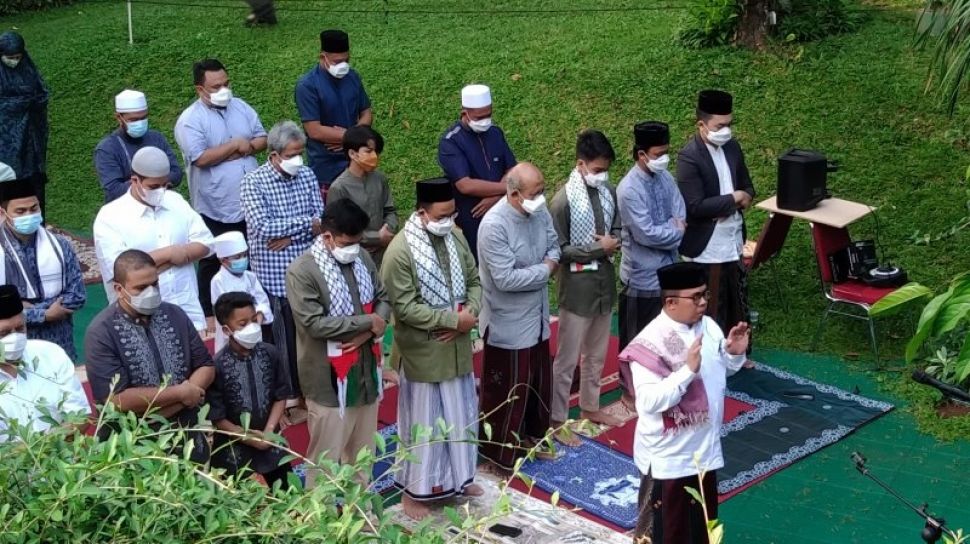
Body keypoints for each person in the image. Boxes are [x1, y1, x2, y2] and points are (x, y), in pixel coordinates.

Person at [620, 262, 749, 543]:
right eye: (696, 297)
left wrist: (734, 355)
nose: (703, 302)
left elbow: (718, 372)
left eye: (705, 295)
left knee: (702, 531)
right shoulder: (649, 344)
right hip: (669, 461)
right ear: (671, 302)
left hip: (702, 452)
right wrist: (687, 371)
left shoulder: (709, 327)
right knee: (663, 535)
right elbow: (649, 402)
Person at [381, 178, 483, 520]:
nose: (449, 221)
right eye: (442, 215)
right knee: (423, 423)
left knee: (461, 412)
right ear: (422, 213)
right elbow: (406, 308)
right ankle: (415, 493)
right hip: (424, 350)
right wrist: (455, 322)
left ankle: (460, 478)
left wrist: (469, 313)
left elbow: (474, 280)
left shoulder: (454, 235)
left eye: (452, 214)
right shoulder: (400, 251)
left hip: (457, 345)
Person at [285, 199, 391, 488]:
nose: (353, 248)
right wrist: (367, 324)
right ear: (327, 236)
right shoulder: (302, 271)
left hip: (366, 373)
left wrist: (369, 331)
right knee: (326, 463)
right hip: (328, 380)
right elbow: (313, 323)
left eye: (358, 241)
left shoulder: (362, 258)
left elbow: (383, 297)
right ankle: (321, 525)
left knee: (362, 458)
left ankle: (360, 516)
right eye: (347, 242)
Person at [85, 250, 215, 462]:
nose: (151, 291)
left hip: (186, 436)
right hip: (135, 447)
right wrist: (181, 395)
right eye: (141, 288)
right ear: (119, 289)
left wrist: (184, 397)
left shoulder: (175, 314)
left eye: (154, 284)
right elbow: (115, 400)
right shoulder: (101, 332)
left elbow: (206, 366)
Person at [477, 162, 560, 469]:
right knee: (507, 392)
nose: (541, 198)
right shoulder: (494, 225)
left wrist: (541, 267)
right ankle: (500, 454)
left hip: (537, 315)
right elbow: (506, 280)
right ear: (513, 194)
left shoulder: (539, 211)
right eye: (534, 193)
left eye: (542, 191)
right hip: (507, 322)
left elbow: (555, 247)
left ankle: (534, 439)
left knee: (538, 384)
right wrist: (546, 269)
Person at [174, 58, 267, 331]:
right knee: (213, 261)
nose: (224, 90)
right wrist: (235, 146)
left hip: (250, 202)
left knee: (251, 256)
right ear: (200, 90)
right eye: (216, 86)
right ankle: (212, 316)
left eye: (226, 84)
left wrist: (245, 147)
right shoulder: (190, 121)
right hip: (215, 205)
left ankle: (253, 309)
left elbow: (262, 138)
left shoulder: (241, 107)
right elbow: (200, 157)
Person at [241, 120, 324, 404]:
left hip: (309, 267)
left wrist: (290, 236)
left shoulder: (308, 175)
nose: (296, 160)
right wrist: (305, 227)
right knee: (284, 339)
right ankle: (289, 396)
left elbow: (321, 220)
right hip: (275, 276)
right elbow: (263, 227)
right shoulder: (254, 182)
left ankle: (313, 389)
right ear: (273, 156)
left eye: (300, 152)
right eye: (290, 155)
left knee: (312, 333)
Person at [548, 130, 623, 445]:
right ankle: (557, 419)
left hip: (603, 285)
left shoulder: (610, 191)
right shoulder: (562, 200)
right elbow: (558, 250)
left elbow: (617, 226)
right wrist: (600, 249)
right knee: (566, 360)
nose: (601, 176)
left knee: (596, 353)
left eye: (605, 169)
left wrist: (612, 241)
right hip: (577, 290)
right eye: (596, 170)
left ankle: (590, 406)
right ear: (580, 164)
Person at [93, 146, 214, 332]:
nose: (161, 191)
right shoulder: (110, 217)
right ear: (134, 180)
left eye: (165, 185)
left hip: (188, 313)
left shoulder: (176, 202)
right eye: (154, 187)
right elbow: (121, 270)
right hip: (140, 319)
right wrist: (172, 254)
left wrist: (166, 258)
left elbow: (206, 243)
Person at [617, 121, 687, 409]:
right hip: (642, 276)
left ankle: (667, 383)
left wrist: (672, 229)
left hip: (669, 270)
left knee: (669, 331)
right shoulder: (628, 189)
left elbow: (680, 211)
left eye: (666, 152)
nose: (663, 159)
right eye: (659, 153)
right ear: (641, 154)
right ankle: (630, 391)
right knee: (637, 337)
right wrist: (676, 231)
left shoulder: (666, 179)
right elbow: (645, 233)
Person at [677, 90, 755, 341]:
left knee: (737, 299)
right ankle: (710, 357)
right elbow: (696, 206)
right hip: (707, 244)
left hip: (732, 236)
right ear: (702, 124)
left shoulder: (732, 147)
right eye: (719, 126)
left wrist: (741, 199)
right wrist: (733, 199)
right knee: (710, 305)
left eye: (729, 125)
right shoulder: (689, 156)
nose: (725, 130)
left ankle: (739, 352)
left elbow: (748, 188)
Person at [208, 292, 294, 490]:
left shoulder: (270, 353)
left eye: (254, 320)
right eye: (243, 323)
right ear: (227, 330)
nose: (252, 327)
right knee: (240, 507)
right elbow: (217, 417)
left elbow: (280, 396)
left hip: (271, 440)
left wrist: (269, 432)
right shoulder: (217, 366)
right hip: (233, 447)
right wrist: (248, 437)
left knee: (289, 496)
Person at [0, 178, 86, 360]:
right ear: (3, 213)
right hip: (12, 346)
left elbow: (77, 295)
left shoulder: (60, 245)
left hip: (59, 342)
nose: (29, 215)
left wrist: (24, 308)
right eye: (20, 211)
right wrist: (45, 314)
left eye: (34, 208)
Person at [0, 284, 90, 442]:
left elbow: (80, 417)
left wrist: (38, 447)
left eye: (20, 329)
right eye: (4, 333)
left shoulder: (50, 354)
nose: (14, 338)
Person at [437, 84, 517, 261]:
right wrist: (507, 188)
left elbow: (511, 168)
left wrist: (497, 197)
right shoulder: (451, 142)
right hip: (472, 215)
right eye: (480, 117)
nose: (485, 121)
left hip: (503, 208)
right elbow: (465, 185)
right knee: (478, 263)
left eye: (489, 115)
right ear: (465, 114)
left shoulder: (495, 133)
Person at [296, 29, 373, 190]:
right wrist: (351, 137)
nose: (343, 66)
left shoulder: (352, 77)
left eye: (346, 60)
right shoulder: (307, 86)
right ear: (322, 57)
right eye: (337, 62)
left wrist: (349, 139)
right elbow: (314, 130)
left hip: (356, 160)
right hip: (326, 168)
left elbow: (366, 113)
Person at [93, 89, 183, 204]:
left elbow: (176, 173)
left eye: (144, 117)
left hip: (161, 206)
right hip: (126, 212)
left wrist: (148, 185)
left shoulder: (156, 138)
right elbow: (114, 190)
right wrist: (157, 183)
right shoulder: (107, 149)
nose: (140, 122)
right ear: (119, 118)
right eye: (134, 120)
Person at [328, 125, 397, 269]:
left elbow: (390, 210)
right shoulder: (339, 188)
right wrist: (376, 237)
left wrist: (388, 231)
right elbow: (338, 229)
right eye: (369, 151)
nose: (374, 156)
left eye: (376, 152)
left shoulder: (380, 179)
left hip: (384, 253)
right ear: (352, 154)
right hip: (355, 257)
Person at [0, 32, 49, 215]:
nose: (15, 61)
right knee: (9, 181)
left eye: (18, 57)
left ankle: (35, 222)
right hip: (6, 145)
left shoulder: (28, 70)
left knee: (33, 182)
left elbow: (42, 94)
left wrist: (31, 103)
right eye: (10, 58)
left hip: (32, 139)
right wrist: (22, 103)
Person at [210, 231, 274, 353]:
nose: (243, 259)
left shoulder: (250, 276)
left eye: (245, 255)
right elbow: (224, 311)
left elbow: (262, 301)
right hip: (234, 334)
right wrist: (243, 327)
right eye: (237, 257)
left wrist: (256, 320)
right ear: (223, 261)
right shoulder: (217, 281)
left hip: (254, 329)